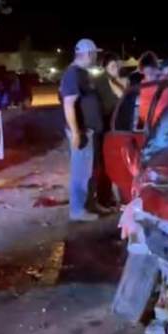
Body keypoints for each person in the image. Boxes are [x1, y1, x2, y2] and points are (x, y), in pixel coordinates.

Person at [59, 38, 106, 222]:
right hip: (82, 132)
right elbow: (68, 104)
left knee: (89, 171)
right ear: (86, 54)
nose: (95, 57)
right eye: (94, 54)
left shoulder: (82, 73)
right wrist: (76, 133)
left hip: (89, 131)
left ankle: (88, 204)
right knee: (81, 172)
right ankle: (77, 210)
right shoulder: (73, 74)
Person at [96, 52, 127, 119]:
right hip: (112, 119)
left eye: (116, 66)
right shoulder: (105, 84)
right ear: (105, 69)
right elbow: (122, 97)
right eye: (113, 67)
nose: (116, 69)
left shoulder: (118, 80)